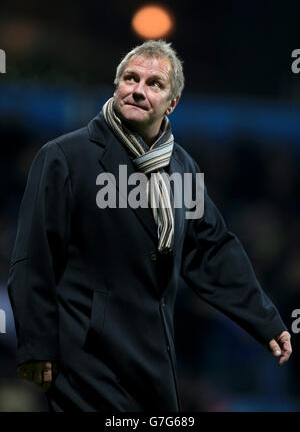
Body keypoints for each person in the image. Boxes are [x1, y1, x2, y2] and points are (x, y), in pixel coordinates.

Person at [8, 40, 292, 412]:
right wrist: (37, 347)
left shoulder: (182, 167)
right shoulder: (65, 156)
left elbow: (212, 249)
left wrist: (265, 319)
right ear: (116, 86)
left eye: (154, 84)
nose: (138, 90)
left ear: (171, 103)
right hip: (84, 353)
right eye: (130, 78)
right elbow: (33, 256)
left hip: (153, 354)